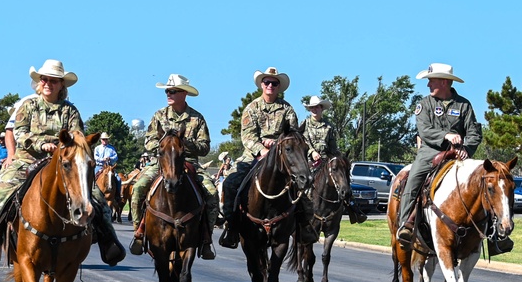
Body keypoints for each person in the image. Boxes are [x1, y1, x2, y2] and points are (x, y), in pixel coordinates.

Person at [0, 59, 125, 268]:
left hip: (63, 162)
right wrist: (41, 144)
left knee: (98, 197)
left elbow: (77, 136)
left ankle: (108, 241)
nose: (48, 83)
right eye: (44, 79)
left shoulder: (70, 112)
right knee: (1, 192)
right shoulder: (27, 106)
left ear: (61, 85)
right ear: (39, 82)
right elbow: (19, 133)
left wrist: (63, 147)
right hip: (27, 159)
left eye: (53, 80)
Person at [219, 67, 318, 249]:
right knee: (230, 183)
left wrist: (276, 145)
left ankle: (305, 227)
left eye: (274, 83)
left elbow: (293, 136)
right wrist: (261, 149)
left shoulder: (287, 109)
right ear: (262, 85)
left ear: (279, 87)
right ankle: (231, 227)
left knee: (301, 185)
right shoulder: (251, 108)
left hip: (282, 156)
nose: (270, 85)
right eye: (267, 82)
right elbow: (247, 136)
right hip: (254, 156)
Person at [128, 74, 219, 259]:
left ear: (184, 93)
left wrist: (185, 144)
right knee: (137, 189)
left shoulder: (197, 118)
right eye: (167, 91)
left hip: (189, 162)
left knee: (212, 194)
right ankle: (139, 232)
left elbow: (205, 147)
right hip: (161, 163)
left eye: (173, 91)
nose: (168, 94)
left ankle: (206, 239)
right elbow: (149, 143)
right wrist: (167, 144)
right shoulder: (159, 116)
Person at [395, 63, 482, 244]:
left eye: (431, 81)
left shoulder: (464, 105)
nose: (428, 85)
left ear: (444, 82)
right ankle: (405, 225)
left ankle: (493, 235)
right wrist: (446, 136)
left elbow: (474, 133)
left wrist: (467, 149)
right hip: (429, 153)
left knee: (483, 183)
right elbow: (424, 130)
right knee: (412, 182)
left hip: (458, 155)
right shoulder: (424, 104)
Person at [300, 95, 368, 224]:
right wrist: (312, 152)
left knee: (343, 180)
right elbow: (303, 142)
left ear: (321, 109)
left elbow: (332, 146)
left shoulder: (329, 126)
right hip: (308, 161)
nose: (315, 110)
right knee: (301, 184)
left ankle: (353, 209)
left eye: (317, 107)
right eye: (312, 108)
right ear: (310, 109)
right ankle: (298, 212)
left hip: (325, 161)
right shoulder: (304, 125)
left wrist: (339, 157)